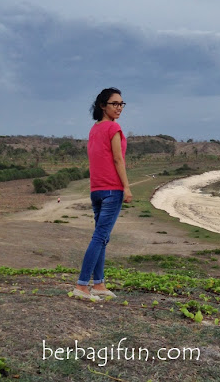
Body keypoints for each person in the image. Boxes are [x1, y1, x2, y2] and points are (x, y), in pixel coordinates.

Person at [72, 88, 133, 301]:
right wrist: (126, 187)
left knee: (102, 238)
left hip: (96, 190)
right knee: (100, 237)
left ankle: (98, 284)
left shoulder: (94, 129)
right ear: (102, 106)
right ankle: (81, 285)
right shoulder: (113, 128)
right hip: (111, 190)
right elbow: (118, 160)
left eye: (121, 104)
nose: (119, 108)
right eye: (114, 103)